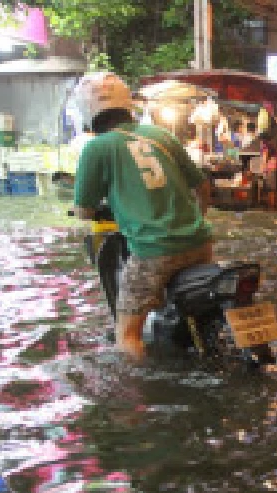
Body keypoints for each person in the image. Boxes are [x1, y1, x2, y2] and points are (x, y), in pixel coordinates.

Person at [72, 72, 213, 361]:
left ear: (87, 112)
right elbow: (202, 187)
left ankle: (139, 396)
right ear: (127, 104)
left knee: (127, 335)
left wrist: (92, 208)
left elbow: (83, 210)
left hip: (152, 254)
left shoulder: (96, 148)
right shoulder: (161, 135)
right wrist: (195, 222)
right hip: (200, 245)